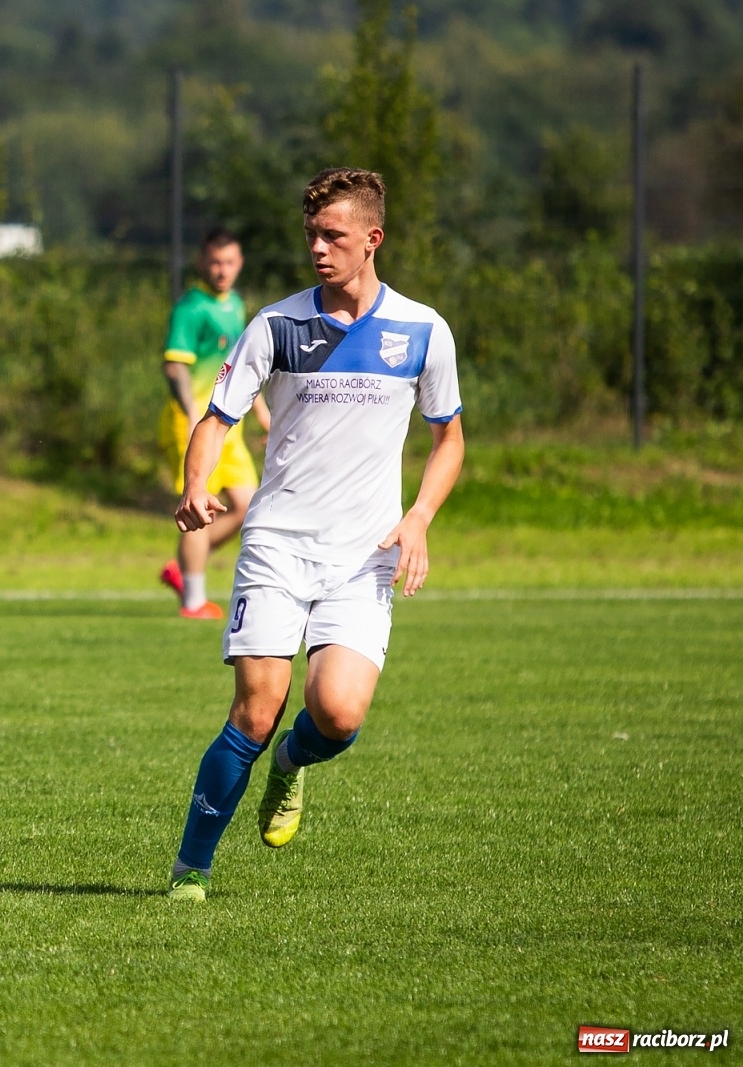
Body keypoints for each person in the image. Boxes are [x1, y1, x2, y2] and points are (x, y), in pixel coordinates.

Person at [164, 169, 465, 901]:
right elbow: (216, 418)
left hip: (363, 556)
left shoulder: (422, 330)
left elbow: (449, 437)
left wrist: (418, 516)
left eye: (334, 235)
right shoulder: (277, 324)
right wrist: (196, 483)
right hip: (277, 543)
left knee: (336, 712)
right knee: (256, 708)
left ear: (373, 238)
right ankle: (191, 867)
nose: (319, 249)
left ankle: (292, 764)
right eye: (312, 236)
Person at [158, 230, 272, 619]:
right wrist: (191, 412)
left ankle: (184, 568)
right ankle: (193, 601)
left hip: (229, 427)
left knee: (247, 505)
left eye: (229, 262)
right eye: (214, 262)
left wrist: (261, 411)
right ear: (201, 262)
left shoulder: (236, 306)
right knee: (198, 505)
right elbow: (174, 366)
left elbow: (240, 368)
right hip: (193, 424)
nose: (221, 270)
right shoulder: (192, 308)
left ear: (239, 264)